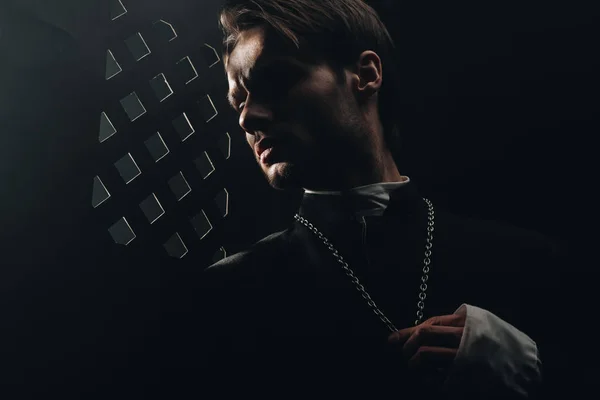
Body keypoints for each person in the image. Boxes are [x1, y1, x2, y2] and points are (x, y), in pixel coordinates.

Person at [162, 1, 576, 398]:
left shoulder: (526, 262)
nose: (248, 118)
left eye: (274, 81)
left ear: (366, 74)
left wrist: (533, 369)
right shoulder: (226, 300)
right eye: (239, 101)